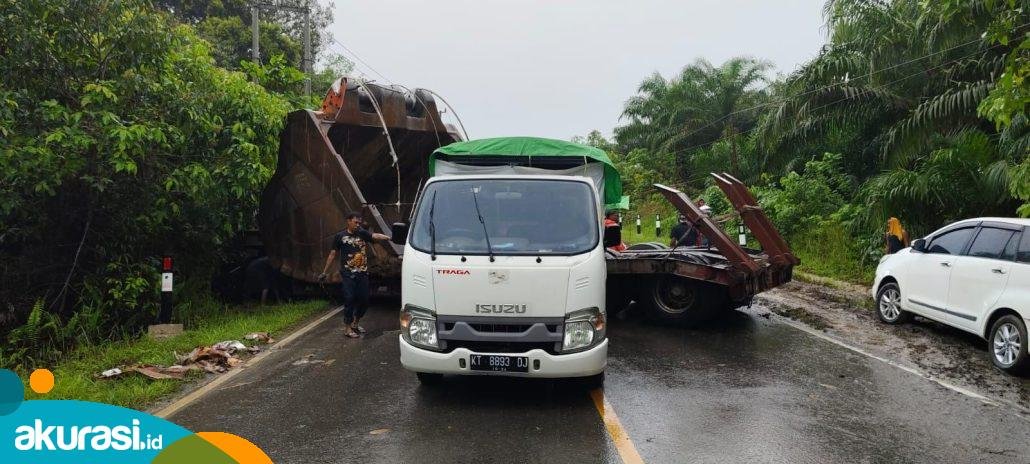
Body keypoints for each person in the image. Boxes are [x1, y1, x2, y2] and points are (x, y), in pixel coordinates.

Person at [319, 212, 391, 338]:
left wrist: (389, 237)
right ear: (348, 221)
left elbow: (374, 236)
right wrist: (325, 272)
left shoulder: (362, 233)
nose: (357, 225)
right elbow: (332, 254)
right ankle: (347, 329)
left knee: (364, 300)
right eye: (355, 222)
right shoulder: (340, 236)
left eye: (359, 223)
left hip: (362, 273)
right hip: (348, 273)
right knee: (349, 298)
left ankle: (355, 323)